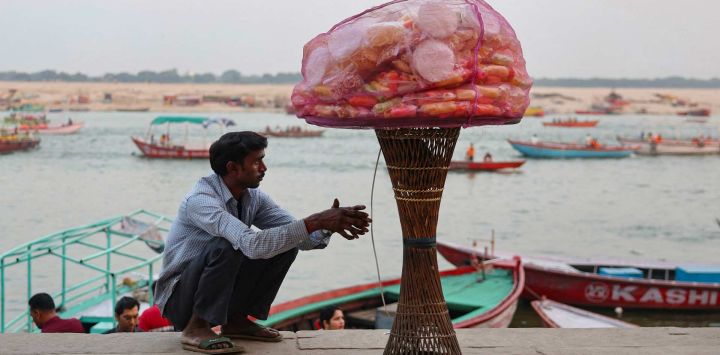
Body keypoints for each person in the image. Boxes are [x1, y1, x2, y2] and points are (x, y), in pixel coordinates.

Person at [154, 131, 371, 354]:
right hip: (180, 300)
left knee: (286, 241)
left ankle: (236, 321)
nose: (264, 168)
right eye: (257, 161)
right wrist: (315, 220)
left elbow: (302, 238)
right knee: (227, 245)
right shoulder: (201, 200)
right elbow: (251, 244)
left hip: (217, 292)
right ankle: (196, 328)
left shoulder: (254, 198)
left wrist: (328, 224)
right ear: (233, 168)